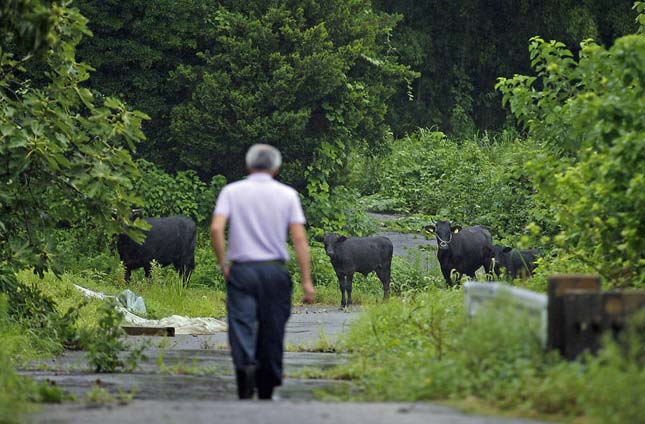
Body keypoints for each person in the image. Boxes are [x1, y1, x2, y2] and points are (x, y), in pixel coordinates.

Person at [210, 144, 315, 400]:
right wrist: (306, 281)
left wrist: (224, 263)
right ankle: (267, 383)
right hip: (274, 271)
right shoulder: (288, 195)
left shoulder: (232, 191)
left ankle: (245, 368)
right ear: (276, 168)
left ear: (248, 165)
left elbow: (216, 229)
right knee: (272, 326)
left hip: (242, 270)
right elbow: (299, 238)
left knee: (242, 323)